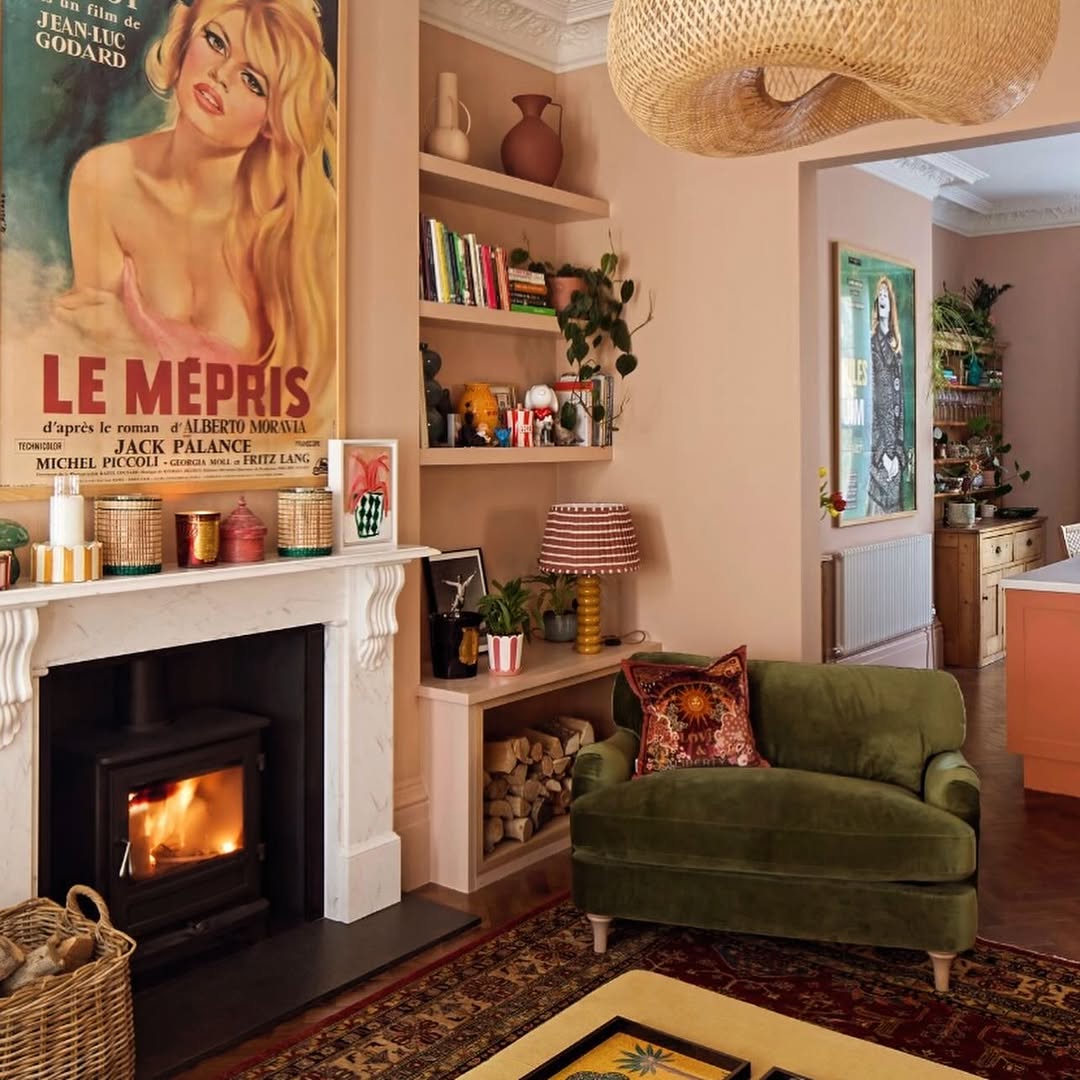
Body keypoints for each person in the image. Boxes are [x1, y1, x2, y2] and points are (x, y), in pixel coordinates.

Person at [56, 0, 337, 381]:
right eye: (216, 42)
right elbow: (92, 359)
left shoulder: (302, 223)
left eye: (252, 81)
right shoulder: (104, 179)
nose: (220, 74)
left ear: (274, 121)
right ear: (187, 36)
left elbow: (315, 392)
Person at [867, 275, 906, 514]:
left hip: (894, 456)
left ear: (891, 305)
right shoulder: (871, 345)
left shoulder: (896, 349)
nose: (882, 299)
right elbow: (871, 404)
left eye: (886, 296)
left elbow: (901, 405)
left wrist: (898, 454)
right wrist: (882, 453)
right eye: (879, 296)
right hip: (879, 452)